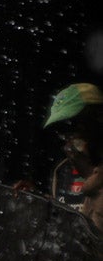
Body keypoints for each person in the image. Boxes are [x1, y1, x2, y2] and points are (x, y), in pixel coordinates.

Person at [43, 82, 103, 231]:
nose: (69, 138)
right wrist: (35, 201)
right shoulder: (63, 170)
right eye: (62, 129)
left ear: (98, 117)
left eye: (73, 124)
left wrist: (91, 175)